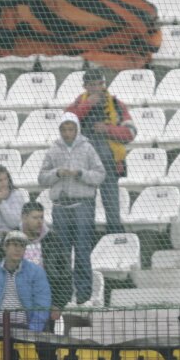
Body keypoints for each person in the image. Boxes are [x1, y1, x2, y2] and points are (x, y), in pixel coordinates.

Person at [38, 112, 105, 305]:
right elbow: (42, 178)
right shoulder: (53, 150)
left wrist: (81, 174)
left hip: (83, 205)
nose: (68, 133)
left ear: (77, 129)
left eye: (71, 129)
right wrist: (57, 173)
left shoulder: (88, 148)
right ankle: (64, 293)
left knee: (83, 249)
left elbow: (100, 174)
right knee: (63, 252)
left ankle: (84, 294)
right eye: (64, 129)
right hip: (60, 206)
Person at [64, 68, 136, 234]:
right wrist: (88, 105)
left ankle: (114, 233)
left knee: (111, 202)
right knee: (85, 203)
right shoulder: (77, 105)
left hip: (109, 162)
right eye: (91, 85)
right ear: (85, 86)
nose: (96, 88)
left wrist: (107, 129)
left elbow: (131, 133)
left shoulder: (117, 105)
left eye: (99, 84)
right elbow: (67, 123)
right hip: (83, 163)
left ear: (103, 84)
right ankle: (86, 236)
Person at [0, 230, 52, 331]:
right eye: (14, 245)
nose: (18, 249)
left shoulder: (36, 272)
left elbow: (42, 305)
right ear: (5, 247)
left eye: (22, 246)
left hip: (26, 328)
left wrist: (33, 332)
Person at [14, 201, 74, 316]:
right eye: (35, 217)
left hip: (46, 299)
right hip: (16, 300)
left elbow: (65, 273)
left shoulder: (53, 239)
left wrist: (58, 304)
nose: (39, 221)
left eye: (41, 217)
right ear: (24, 218)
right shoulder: (12, 238)